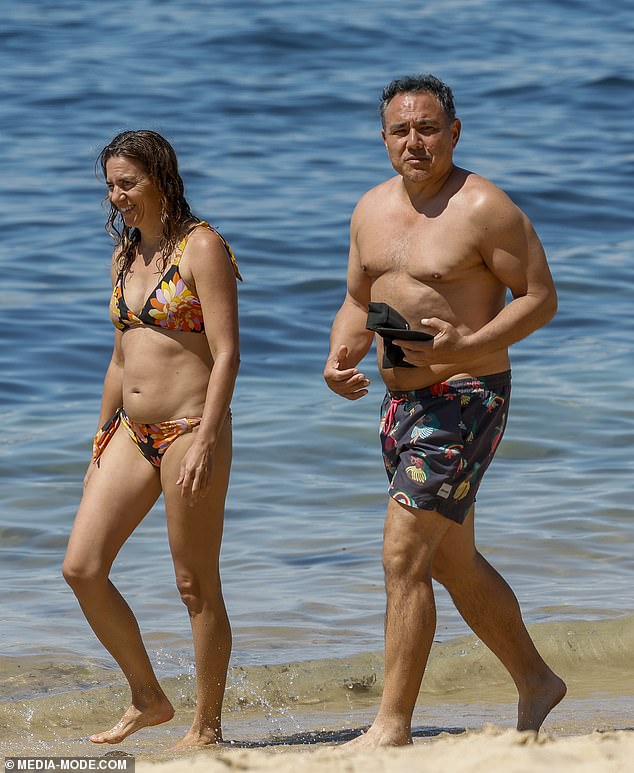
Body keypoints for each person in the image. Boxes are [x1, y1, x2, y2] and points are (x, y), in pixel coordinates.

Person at [324, 75, 566, 747]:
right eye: (401, 130)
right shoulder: (370, 208)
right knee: (450, 561)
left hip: (465, 398)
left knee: (403, 553)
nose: (415, 141)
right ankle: (537, 680)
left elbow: (540, 297)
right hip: (403, 403)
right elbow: (356, 295)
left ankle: (391, 725)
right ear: (383, 139)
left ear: (453, 132)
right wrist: (340, 352)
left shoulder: (484, 207)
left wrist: (474, 343)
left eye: (428, 128)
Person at [62, 130, 242, 748]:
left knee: (195, 585)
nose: (117, 196)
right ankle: (148, 696)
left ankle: (207, 728)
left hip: (190, 430)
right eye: (110, 185)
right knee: (82, 567)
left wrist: (210, 439)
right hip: (130, 433)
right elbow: (120, 359)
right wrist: (98, 441)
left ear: (160, 178)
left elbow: (226, 355)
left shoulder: (203, 247)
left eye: (128, 183)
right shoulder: (123, 256)